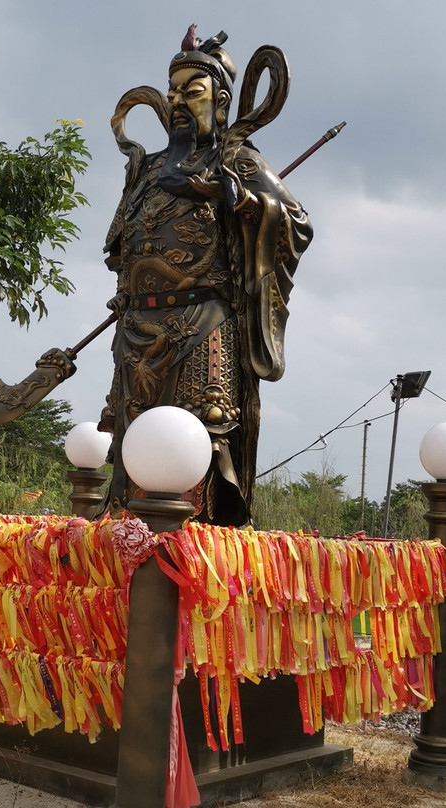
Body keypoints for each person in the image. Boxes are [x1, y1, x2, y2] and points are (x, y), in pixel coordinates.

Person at [98, 29, 313, 526]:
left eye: (190, 93)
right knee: (134, 447)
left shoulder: (235, 162)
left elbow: (294, 223)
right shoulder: (148, 171)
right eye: (171, 93)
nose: (176, 103)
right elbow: (119, 250)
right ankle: (129, 552)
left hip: (202, 325)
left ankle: (194, 559)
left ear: (219, 102)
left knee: (201, 440)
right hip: (135, 332)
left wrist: (234, 199)